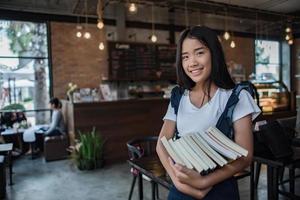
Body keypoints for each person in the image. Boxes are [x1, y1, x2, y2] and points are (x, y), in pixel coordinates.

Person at [156, 26, 261, 200]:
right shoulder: (179, 96)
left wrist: (204, 182)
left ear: (214, 53)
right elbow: (161, 143)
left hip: (220, 189)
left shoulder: (237, 97)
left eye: (199, 53)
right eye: (185, 57)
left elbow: (245, 156)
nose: (192, 63)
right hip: (181, 188)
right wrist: (176, 178)